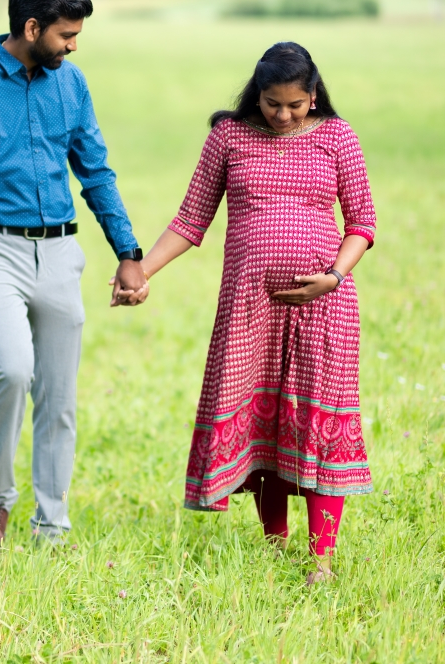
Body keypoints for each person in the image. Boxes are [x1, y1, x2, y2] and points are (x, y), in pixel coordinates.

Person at [129, 42, 375, 583]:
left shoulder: (339, 137)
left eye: (294, 105)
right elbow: (190, 221)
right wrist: (141, 270)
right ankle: (272, 544)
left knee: (314, 419)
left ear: (313, 95)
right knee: (265, 421)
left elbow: (362, 223)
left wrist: (332, 276)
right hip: (250, 311)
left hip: (325, 307)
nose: (282, 116)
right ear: (256, 96)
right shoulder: (229, 137)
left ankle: (322, 560)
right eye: (271, 104)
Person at [0, 0, 147, 546]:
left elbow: (95, 171)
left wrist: (129, 252)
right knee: (13, 369)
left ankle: (52, 525)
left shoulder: (71, 85)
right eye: (67, 35)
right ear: (31, 27)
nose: (73, 45)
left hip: (60, 253)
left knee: (59, 396)